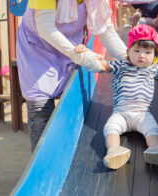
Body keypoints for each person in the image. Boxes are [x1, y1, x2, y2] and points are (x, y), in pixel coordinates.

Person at [17, 0, 127, 152]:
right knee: (40, 112)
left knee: (71, 105)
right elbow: (44, 27)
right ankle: (44, 163)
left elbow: (105, 30)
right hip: (37, 50)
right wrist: (80, 57)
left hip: (69, 46)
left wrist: (129, 59)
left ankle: (65, 150)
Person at [75, 24, 158, 169]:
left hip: (143, 114)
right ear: (128, 51)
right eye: (136, 51)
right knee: (110, 128)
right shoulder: (122, 64)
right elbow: (104, 66)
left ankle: (156, 149)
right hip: (121, 113)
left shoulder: (153, 69)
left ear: (155, 55)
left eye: (148, 52)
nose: (141, 55)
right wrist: (87, 54)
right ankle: (114, 150)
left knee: (152, 129)